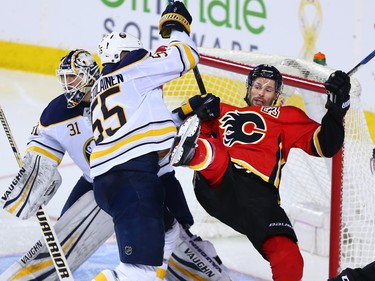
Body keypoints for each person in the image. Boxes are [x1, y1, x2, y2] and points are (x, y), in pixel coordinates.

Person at [1, 47, 230, 281]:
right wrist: (37, 168)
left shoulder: (120, 88)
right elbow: (42, 141)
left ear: (91, 74)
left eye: (73, 77)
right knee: (64, 236)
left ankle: (174, 272)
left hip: (139, 176)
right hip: (99, 182)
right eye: (64, 78)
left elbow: (153, 127)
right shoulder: (58, 112)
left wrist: (185, 111)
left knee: (174, 231)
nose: (68, 84)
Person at [170, 64, 351, 281]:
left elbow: (327, 145)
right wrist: (201, 114)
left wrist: (336, 109)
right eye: (257, 86)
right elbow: (195, 125)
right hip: (219, 181)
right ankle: (194, 153)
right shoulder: (221, 110)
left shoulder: (287, 116)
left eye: (269, 89)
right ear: (248, 88)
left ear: (276, 95)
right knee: (214, 154)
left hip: (258, 196)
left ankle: (197, 152)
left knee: (289, 258)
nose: (261, 92)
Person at [88, 1, 203, 280]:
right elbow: (184, 56)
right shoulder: (134, 66)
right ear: (125, 53)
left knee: (170, 231)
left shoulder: (100, 87)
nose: (146, 55)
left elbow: (145, 126)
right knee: (137, 272)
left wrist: (187, 109)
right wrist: (177, 26)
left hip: (109, 181)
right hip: (133, 177)